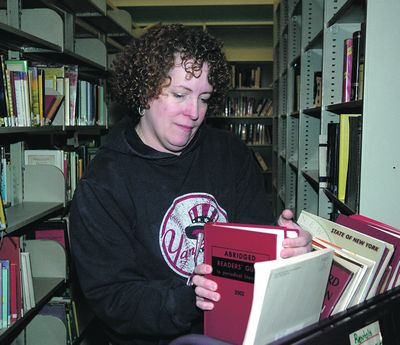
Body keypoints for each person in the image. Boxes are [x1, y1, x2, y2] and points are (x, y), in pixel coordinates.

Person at [69, 24, 312, 345]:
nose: (194, 112)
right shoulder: (103, 182)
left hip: (237, 329)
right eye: (180, 94)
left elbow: (254, 250)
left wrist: (284, 249)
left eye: (205, 98)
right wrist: (188, 298)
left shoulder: (232, 154)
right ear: (144, 90)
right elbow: (113, 297)